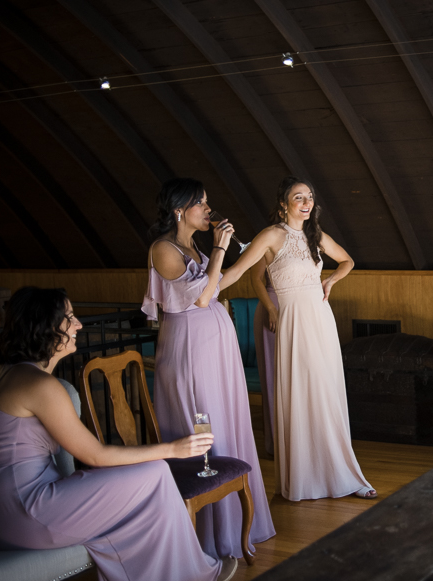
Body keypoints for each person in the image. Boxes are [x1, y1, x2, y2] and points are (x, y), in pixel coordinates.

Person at [0, 287, 235, 581]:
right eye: (70, 318)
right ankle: (191, 578)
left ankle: (179, 580)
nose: (78, 325)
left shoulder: (19, 375)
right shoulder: (38, 385)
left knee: (151, 480)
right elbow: (95, 455)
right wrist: (174, 449)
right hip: (26, 512)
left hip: (13, 510)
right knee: (155, 472)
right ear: (46, 326)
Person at [142, 178, 275, 559]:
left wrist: (248, 255)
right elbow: (201, 297)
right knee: (203, 422)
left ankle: (236, 522)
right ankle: (211, 532)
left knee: (227, 420)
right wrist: (218, 248)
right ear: (179, 209)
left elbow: (220, 284)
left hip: (215, 350)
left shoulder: (192, 247)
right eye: (201, 204)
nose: (207, 210)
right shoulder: (163, 249)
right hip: (189, 351)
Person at [239, 176, 376, 501]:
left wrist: (330, 281)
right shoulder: (272, 235)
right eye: (298, 197)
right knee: (299, 393)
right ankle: (302, 480)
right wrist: (211, 287)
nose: (306, 202)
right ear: (284, 204)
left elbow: (348, 260)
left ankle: (344, 472)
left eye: (310, 197)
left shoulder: (317, 236)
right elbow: (244, 271)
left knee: (326, 391)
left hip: (319, 319)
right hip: (291, 320)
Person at [250, 256, 277, 456]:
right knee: (274, 377)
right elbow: (256, 278)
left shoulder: (311, 236)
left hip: (302, 310)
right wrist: (270, 308)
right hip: (273, 308)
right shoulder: (267, 239)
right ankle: (277, 443)